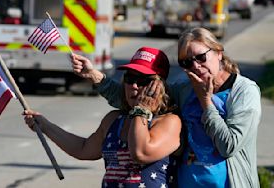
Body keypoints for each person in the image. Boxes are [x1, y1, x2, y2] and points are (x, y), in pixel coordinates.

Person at [71, 27, 261, 188]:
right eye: (186, 62)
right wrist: (95, 76)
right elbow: (137, 98)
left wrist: (206, 102)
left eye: (201, 57)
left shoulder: (243, 92)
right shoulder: (186, 89)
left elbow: (228, 146)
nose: (195, 66)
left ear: (218, 52)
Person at [24, 47, 182, 187]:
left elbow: (141, 153)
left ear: (159, 86)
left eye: (142, 81)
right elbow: (83, 149)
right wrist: (45, 126)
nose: (134, 85)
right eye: (129, 78)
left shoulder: (169, 122)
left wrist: (141, 110)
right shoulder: (113, 119)